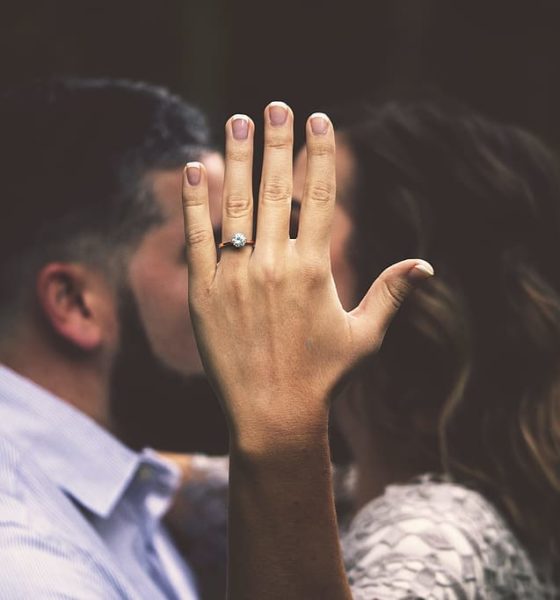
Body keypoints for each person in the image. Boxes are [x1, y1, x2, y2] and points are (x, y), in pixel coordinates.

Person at [182, 99, 560, 598]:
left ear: (397, 269)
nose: (262, 256)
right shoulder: (362, 484)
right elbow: (163, 485)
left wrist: (274, 414)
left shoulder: (437, 539)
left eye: (294, 224)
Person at [0, 78, 226, 598]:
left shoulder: (128, 493)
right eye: (206, 253)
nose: (246, 288)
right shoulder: (32, 570)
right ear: (76, 303)